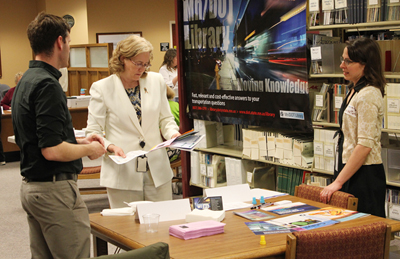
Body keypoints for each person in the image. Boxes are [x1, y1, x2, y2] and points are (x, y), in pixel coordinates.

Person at [11, 12, 106, 259]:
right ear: (60, 42)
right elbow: (52, 149)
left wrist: (79, 141)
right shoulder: (47, 84)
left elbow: (41, 135)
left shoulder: (26, 79)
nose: (70, 48)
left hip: (33, 188)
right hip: (54, 191)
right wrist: (89, 150)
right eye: (70, 41)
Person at [86, 35, 180, 209]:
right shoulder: (102, 88)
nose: (142, 69)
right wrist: (110, 146)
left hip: (157, 170)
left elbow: (166, 119)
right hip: (123, 172)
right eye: (138, 63)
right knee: (126, 229)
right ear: (123, 59)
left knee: (162, 226)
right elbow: (93, 131)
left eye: (146, 64)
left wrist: (173, 134)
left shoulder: (155, 81)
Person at [320, 37, 386, 217]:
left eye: (348, 61)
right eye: (342, 59)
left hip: (365, 175)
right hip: (349, 168)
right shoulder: (354, 90)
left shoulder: (368, 95)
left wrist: (338, 182)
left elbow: (364, 145)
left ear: (365, 64)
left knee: (363, 233)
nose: (342, 65)